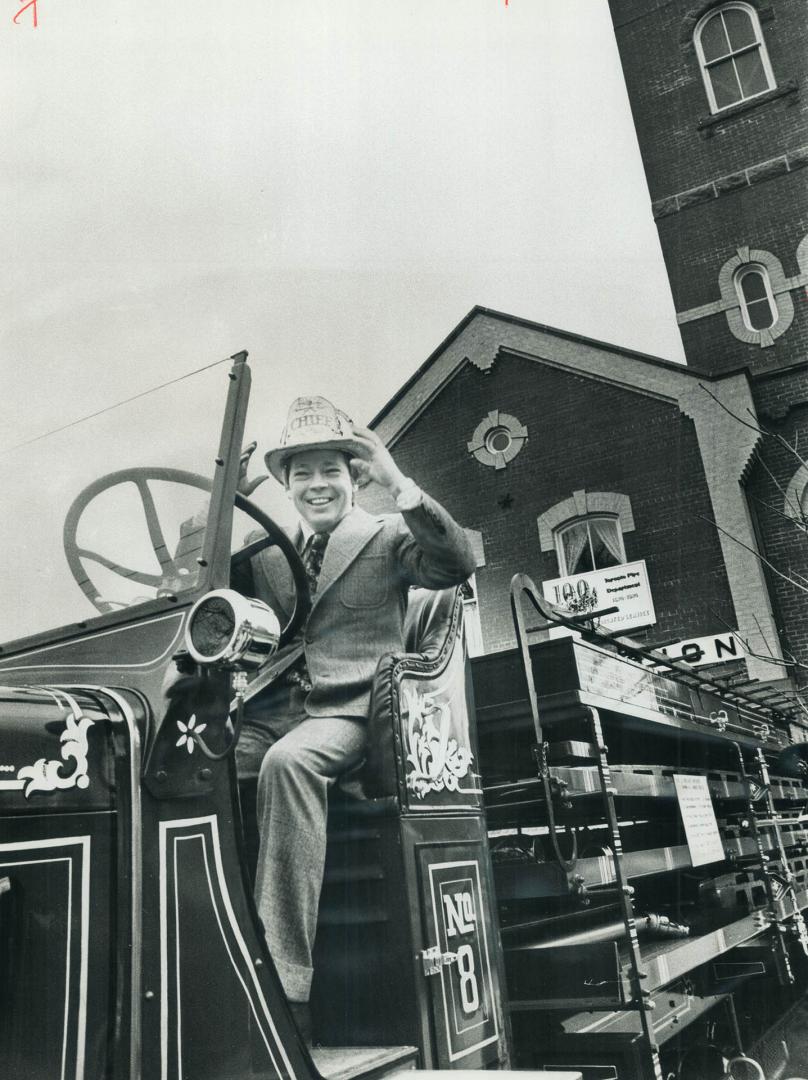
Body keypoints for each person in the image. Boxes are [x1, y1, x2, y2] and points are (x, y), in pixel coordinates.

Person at [233, 395, 476, 1042]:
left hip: (350, 711)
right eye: (302, 474)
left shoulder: (388, 535)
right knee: (194, 764)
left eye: (330, 471)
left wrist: (399, 482)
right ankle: (218, 949)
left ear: (353, 477)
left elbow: (457, 563)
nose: (317, 485)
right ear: (286, 486)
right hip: (270, 708)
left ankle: (285, 987)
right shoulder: (265, 554)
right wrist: (221, 503)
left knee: (289, 765)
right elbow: (197, 589)